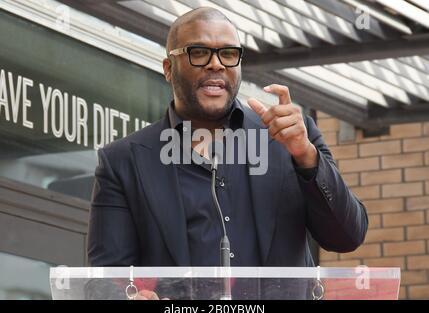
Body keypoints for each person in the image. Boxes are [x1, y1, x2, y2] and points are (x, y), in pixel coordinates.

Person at [88, 7, 368, 270]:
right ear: (168, 68)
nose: (215, 64)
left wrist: (306, 157)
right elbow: (107, 279)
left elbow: (347, 236)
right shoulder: (124, 161)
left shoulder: (291, 138)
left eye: (228, 54)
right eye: (198, 52)